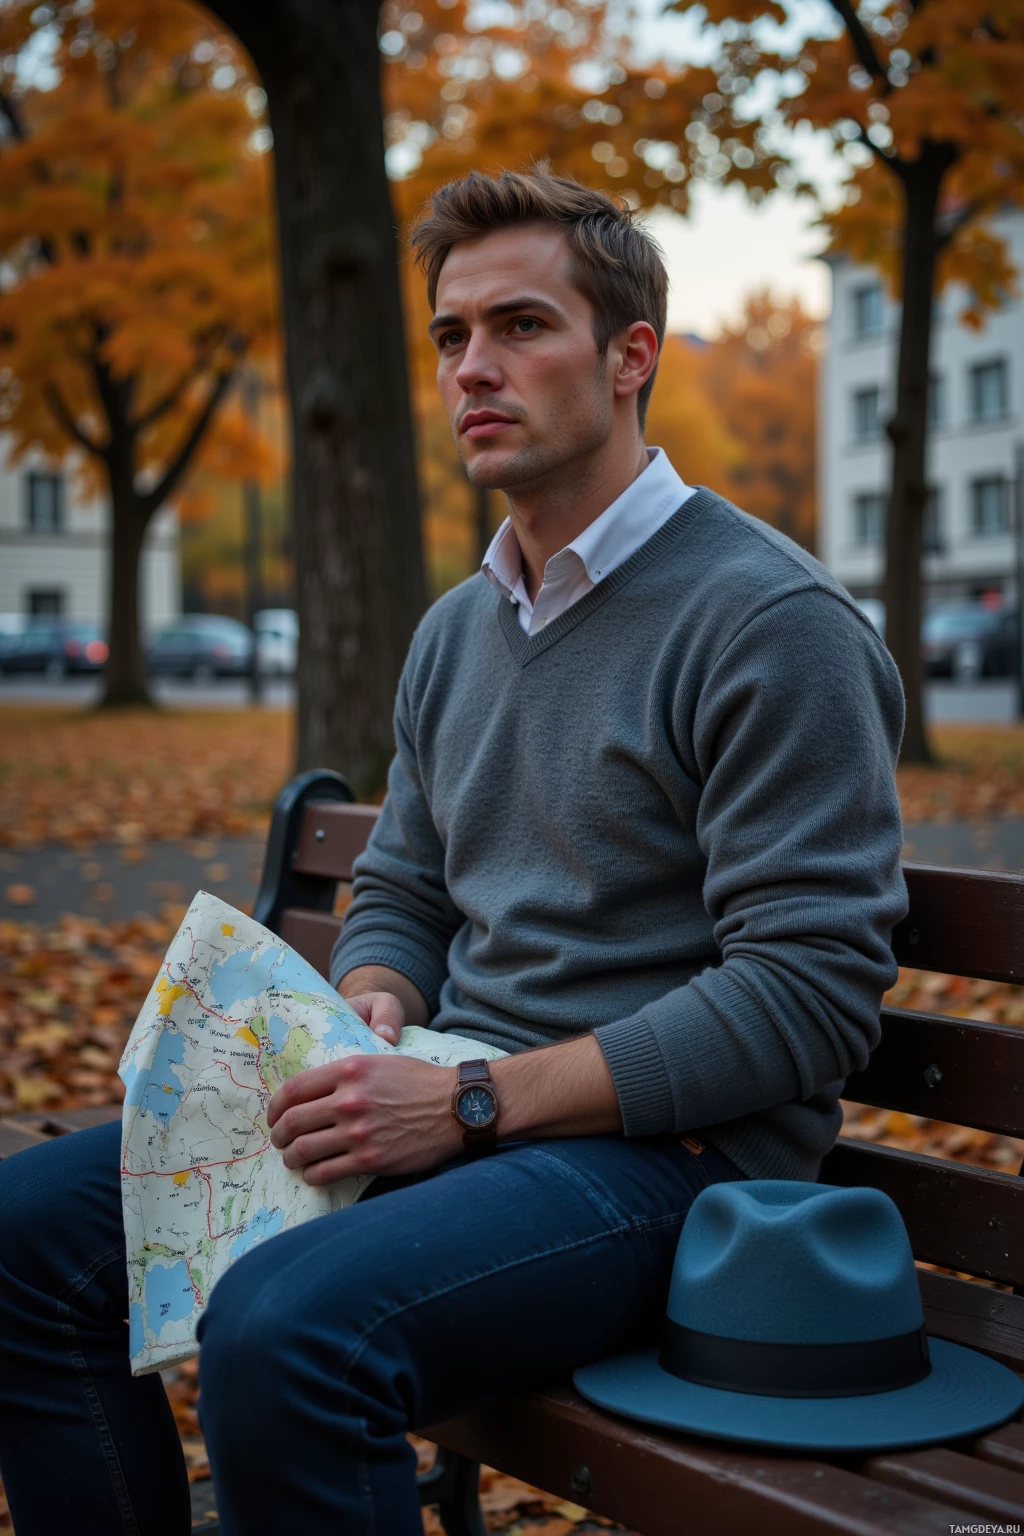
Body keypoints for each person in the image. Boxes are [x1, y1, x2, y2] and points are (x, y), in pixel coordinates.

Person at [0, 169, 908, 1536]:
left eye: (521, 326)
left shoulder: (769, 622)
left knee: (286, 1330)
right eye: (450, 336)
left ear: (630, 358)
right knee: (20, 1243)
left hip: (677, 1163)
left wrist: (475, 1102)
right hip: (455, 1093)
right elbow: (407, 887)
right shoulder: (458, 628)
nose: (473, 367)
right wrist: (373, 998)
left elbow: (808, 994)